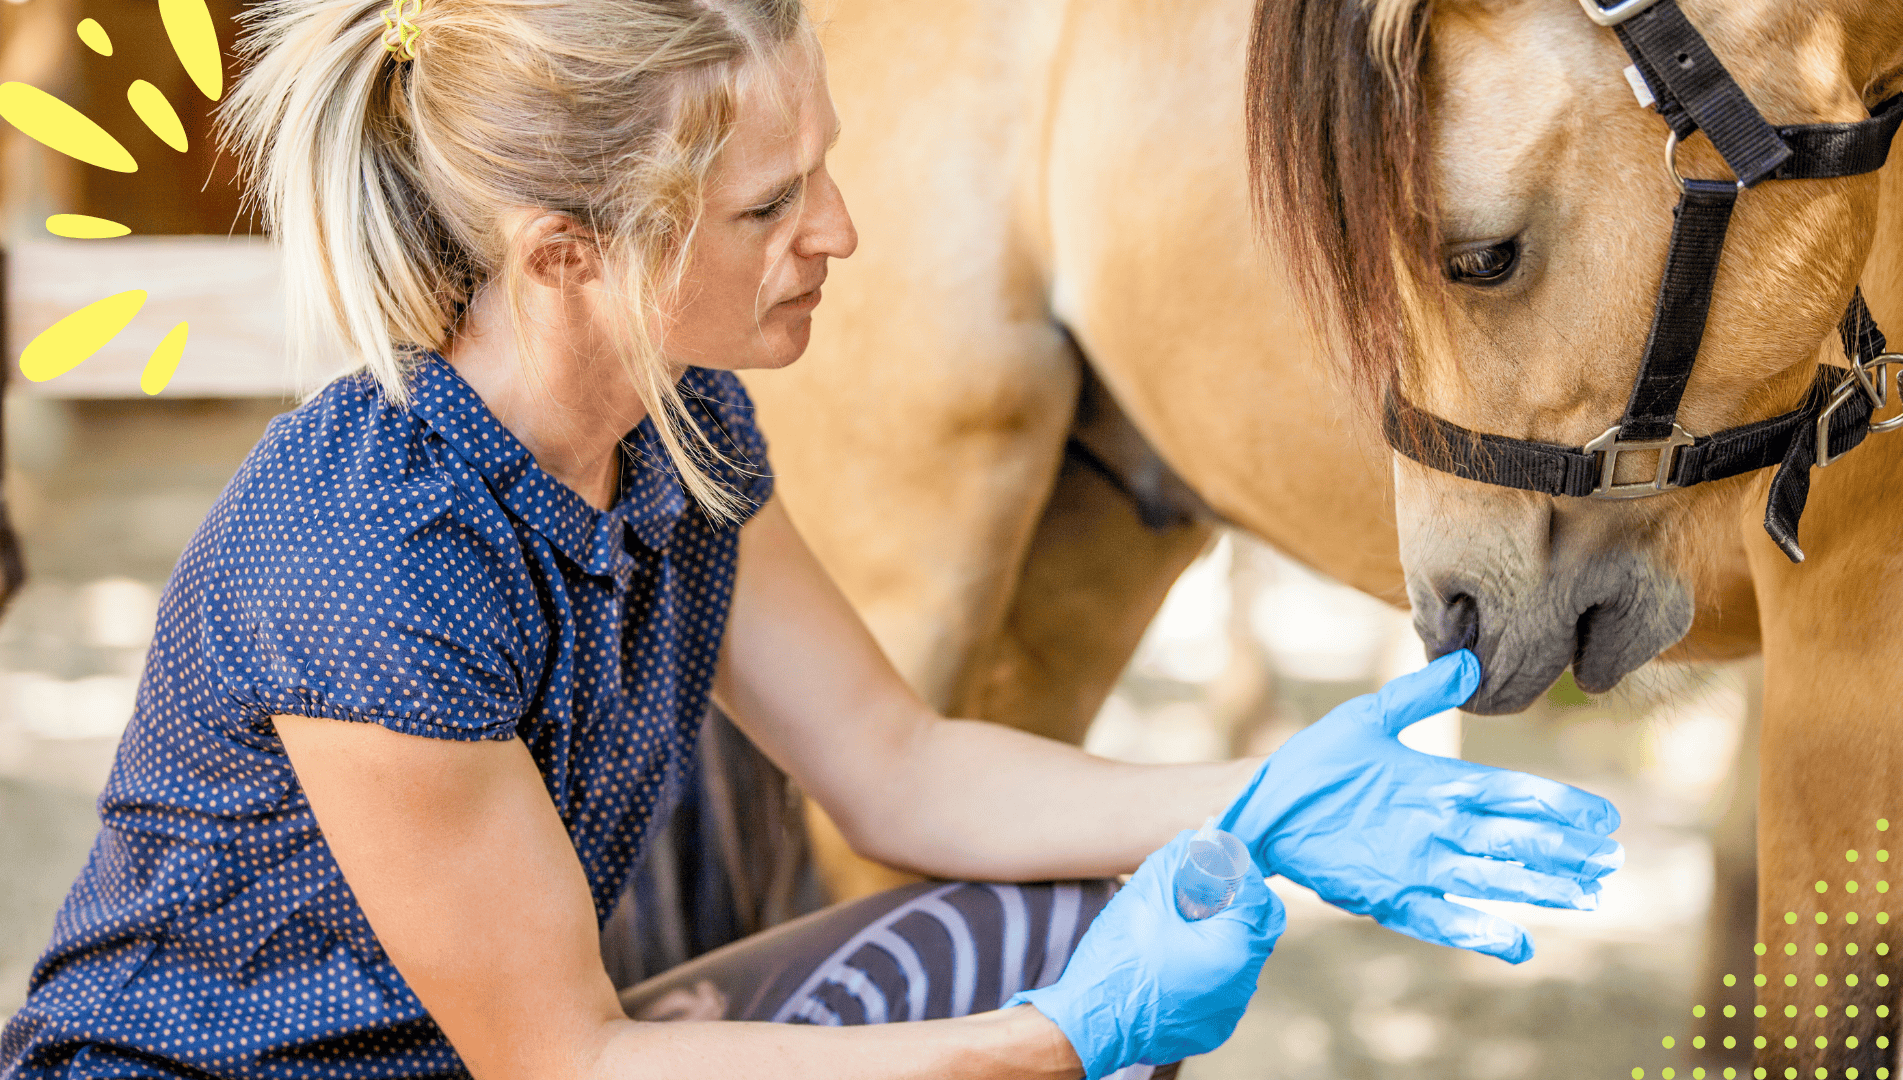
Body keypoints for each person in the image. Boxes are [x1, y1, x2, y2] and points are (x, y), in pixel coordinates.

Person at [0, 1, 1625, 1077]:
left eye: (827, 167)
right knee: (1047, 1009)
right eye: (770, 207)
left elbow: (895, 766)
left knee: (1055, 925)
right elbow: (571, 1061)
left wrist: (1271, 802)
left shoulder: (681, 424)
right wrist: (1047, 1044)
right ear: (570, 255)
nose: (839, 232)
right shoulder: (366, 557)